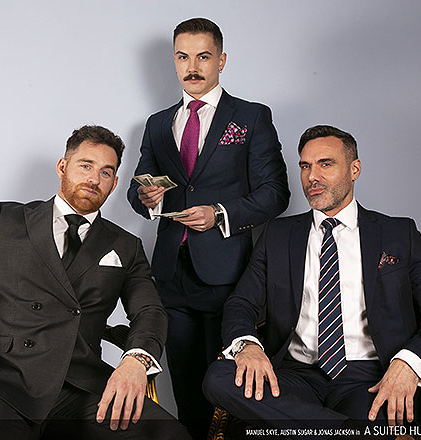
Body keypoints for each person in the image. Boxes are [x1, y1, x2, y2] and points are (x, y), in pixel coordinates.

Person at [0, 125, 190, 440]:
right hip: (3, 383)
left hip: (83, 386)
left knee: (170, 435)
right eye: (86, 166)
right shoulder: (7, 220)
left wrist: (136, 360)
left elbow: (149, 311)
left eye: (106, 173)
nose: (94, 179)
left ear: (115, 183)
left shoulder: (126, 245)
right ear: (62, 167)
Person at [202, 125, 421, 438]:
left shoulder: (398, 234)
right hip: (294, 375)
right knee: (218, 377)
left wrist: (408, 363)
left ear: (354, 170)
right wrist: (248, 346)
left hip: (369, 377)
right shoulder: (278, 235)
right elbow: (241, 303)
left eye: (325, 164)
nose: (312, 177)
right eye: (305, 166)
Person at [127, 17, 290, 438]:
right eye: (183, 57)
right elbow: (136, 191)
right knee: (185, 386)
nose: (192, 67)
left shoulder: (251, 116)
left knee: (231, 386)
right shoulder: (158, 123)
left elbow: (276, 193)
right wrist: (148, 198)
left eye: (203, 56)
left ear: (221, 60)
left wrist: (219, 213)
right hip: (170, 273)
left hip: (228, 274)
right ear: (174, 61)